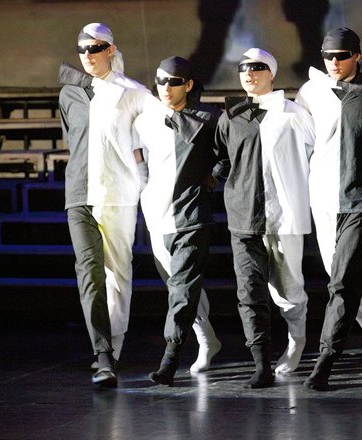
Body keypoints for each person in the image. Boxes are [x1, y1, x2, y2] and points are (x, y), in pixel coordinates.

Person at [293, 27, 362, 391]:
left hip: (360, 198)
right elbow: (304, 143)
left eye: (341, 56)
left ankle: (326, 358)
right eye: (328, 56)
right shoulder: (310, 91)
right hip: (321, 196)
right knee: (342, 276)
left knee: (342, 280)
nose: (334, 62)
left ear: (356, 55)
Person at [214, 48, 315, 388]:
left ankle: (297, 341)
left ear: (271, 73)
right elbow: (222, 158)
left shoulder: (293, 114)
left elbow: (317, 154)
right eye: (244, 68)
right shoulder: (231, 117)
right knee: (249, 292)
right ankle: (261, 363)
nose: (249, 73)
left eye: (257, 67)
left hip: (284, 216)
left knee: (288, 289)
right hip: (243, 217)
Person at [58, 23, 151, 387]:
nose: (88, 55)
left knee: (117, 274)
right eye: (82, 49)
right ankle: (103, 355)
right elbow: (74, 140)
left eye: (95, 48)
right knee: (89, 272)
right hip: (79, 193)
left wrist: (142, 182)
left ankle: (114, 349)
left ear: (111, 49)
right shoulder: (70, 93)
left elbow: (148, 143)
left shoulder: (134, 93)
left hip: (117, 193)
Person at [135, 56, 222, 385]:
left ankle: (170, 359)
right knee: (179, 286)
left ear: (188, 85)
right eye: (161, 81)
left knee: (182, 288)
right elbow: (135, 151)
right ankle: (207, 339)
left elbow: (228, 154)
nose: (166, 88)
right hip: (156, 216)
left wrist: (213, 177)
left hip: (191, 215)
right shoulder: (146, 119)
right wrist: (143, 180)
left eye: (173, 82)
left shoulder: (208, 119)